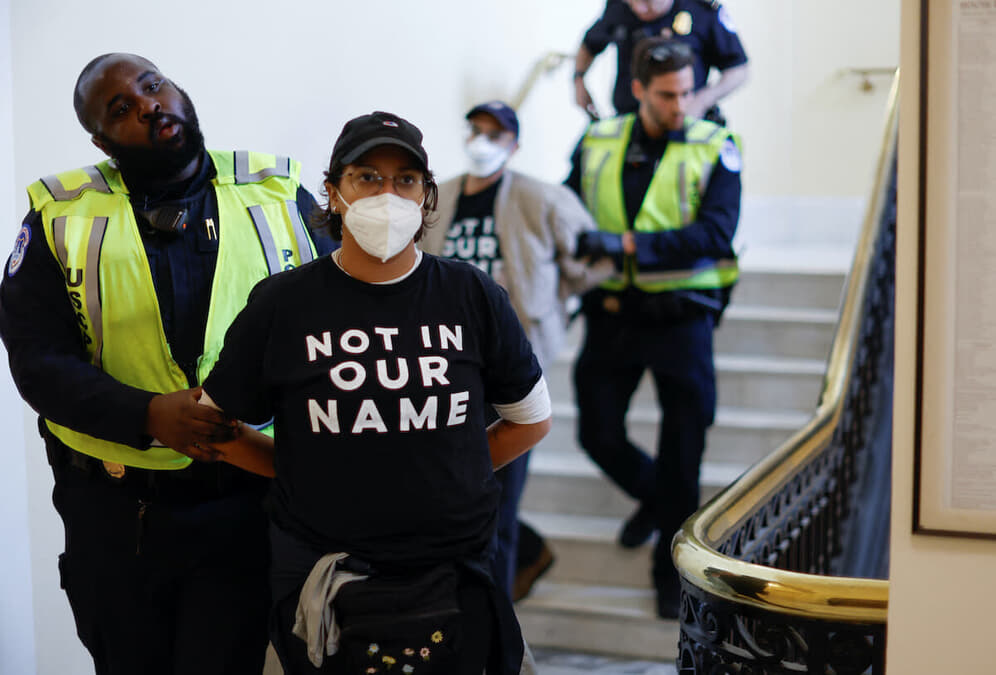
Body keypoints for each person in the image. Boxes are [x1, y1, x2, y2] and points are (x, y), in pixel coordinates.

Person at [0, 53, 328, 675]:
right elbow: (37, 359)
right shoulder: (60, 217)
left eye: (152, 87)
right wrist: (146, 415)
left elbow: (336, 324)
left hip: (248, 503)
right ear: (101, 140)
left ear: (177, 89)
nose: (148, 105)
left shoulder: (278, 194)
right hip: (115, 511)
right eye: (120, 108)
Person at [199, 111, 552, 674]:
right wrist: (302, 472)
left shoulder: (470, 294)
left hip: (452, 573)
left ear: (425, 197)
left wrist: (450, 470)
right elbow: (213, 429)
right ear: (334, 193)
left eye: (405, 180)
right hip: (325, 576)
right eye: (367, 177)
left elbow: (530, 419)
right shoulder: (283, 303)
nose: (387, 194)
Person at [565, 37, 742, 619]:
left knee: (684, 445)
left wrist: (629, 244)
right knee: (596, 434)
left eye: (689, 91)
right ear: (638, 89)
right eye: (668, 94)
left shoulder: (718, 144)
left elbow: (715, 233)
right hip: (612, 313)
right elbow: (567, 208)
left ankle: (672, 575)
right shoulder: (596, 139)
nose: (682, 105)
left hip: (682, 318)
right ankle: (657, 498)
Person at [421, 100, 611, 603]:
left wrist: (551, 308)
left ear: (514, 144)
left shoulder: (540, 198)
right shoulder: (443, 196)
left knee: (499, 501)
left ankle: (497, 625)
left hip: (508, 369)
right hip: (446, 366)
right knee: (451, 489)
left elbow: (592, 261)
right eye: (476, 130)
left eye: (495, 134)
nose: (482, 141)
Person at [573, 0, 749, 122]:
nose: (638, 8)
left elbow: (738, 69)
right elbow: (590, 44)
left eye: (647, 2)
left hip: (682, 123)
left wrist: (702, 101)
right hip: (630, 124)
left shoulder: (701, 11)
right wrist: (579, 79)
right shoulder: (619, 7)